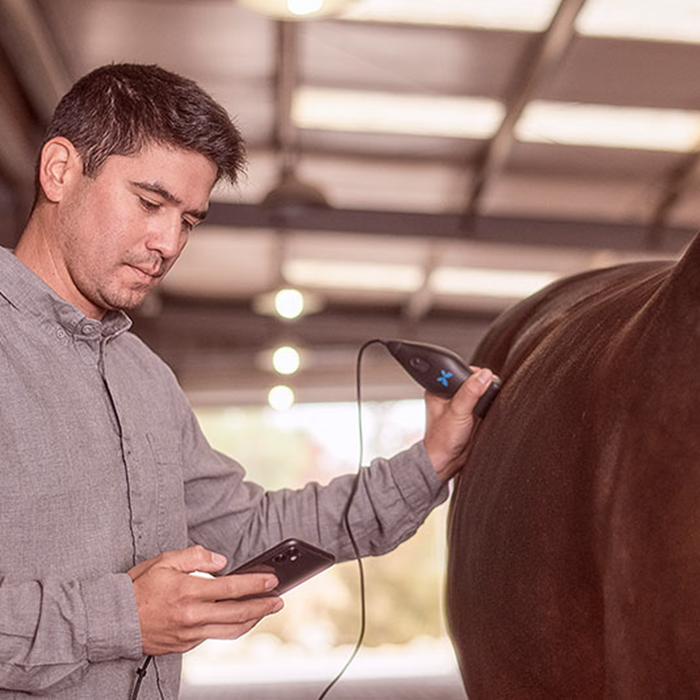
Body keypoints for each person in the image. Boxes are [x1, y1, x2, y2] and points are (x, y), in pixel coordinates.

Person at [0, 63, 494, 699]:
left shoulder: (145, 379)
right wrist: (121, 619)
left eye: (189, 220)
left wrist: (428, 463)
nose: (167, 243)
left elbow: (248, 530)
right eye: (150, 203)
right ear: (60, 170)